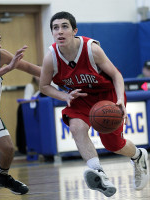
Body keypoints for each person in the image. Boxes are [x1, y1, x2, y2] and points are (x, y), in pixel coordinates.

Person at [39, 11, 149, 197]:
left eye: (64, 26)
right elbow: (43, 86)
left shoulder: (91, 49)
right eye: (55, 28)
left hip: (107, 95)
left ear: (74, 30)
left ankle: (138, 156)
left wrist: (120, 100)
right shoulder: (51, 57)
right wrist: (64, 96)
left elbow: (116, 75)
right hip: (80, 96)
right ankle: (97, 171)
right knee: (76, 127)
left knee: (114, 144)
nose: (60, 31)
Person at [0, 25, 41, 195]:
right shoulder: (4, 63)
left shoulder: (1, 55)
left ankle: (2, 177)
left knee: (8, 149)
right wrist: (7, 68)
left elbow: (28, 67)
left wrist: (59, 75)